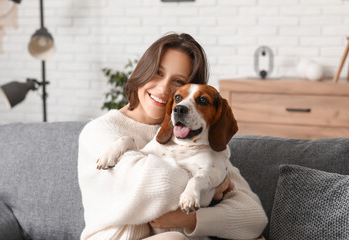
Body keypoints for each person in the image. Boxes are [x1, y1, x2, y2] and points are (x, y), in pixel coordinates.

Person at [78, 32, 267, 240]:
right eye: (158, 73)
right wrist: (213, 186)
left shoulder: (195, 139)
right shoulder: (99, 132)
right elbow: (159, 186)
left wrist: (191, 220)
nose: (163, 88)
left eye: (178, 81)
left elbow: (254, 218)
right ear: (143, 71)